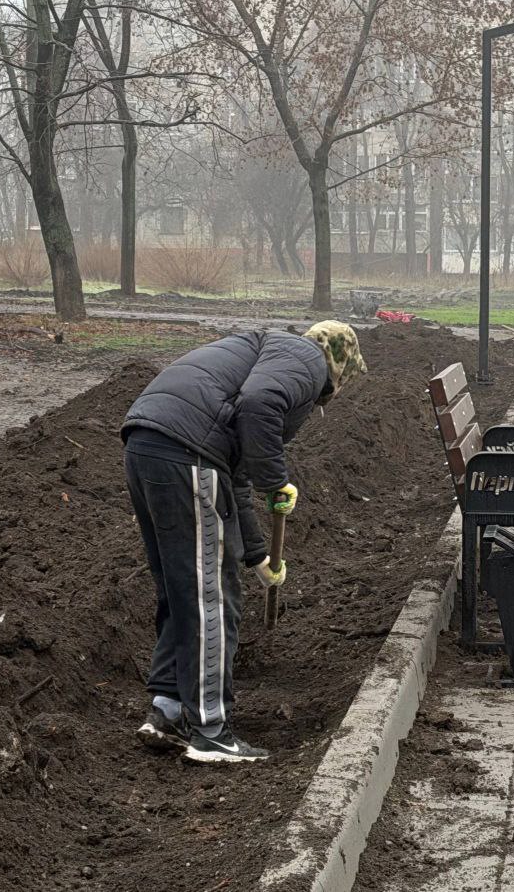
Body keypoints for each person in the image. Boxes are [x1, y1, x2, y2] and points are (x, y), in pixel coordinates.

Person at [121, 321, 367, 763]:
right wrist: (277, 484)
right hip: (186, 451)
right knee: (211, 597)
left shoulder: (267, 349)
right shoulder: (307, 358)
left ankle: (168, 710)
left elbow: (234, 479)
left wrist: (260, 556)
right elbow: (260, 405)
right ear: (338, 365)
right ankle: (211, 732)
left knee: (182, 589)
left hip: (147, 442)